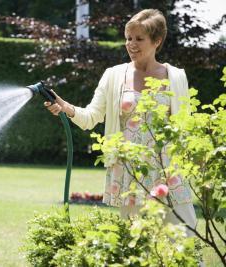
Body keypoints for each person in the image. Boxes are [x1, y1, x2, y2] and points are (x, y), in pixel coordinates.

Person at [44, 9, 197, 235]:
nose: (131, 44)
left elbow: (185, 126)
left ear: (157, 41)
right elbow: (91, 117)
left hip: (168, 172)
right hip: (130, 172)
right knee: (138, 244)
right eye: (128, 38)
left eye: (139, 39)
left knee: (185, 239)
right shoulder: (114, 75)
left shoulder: (176, 76)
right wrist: (65, 107)